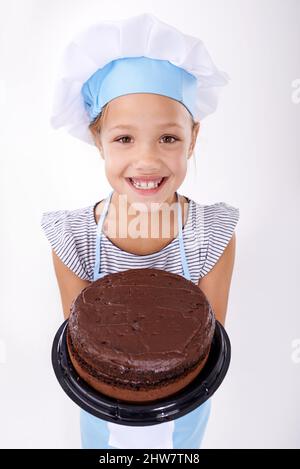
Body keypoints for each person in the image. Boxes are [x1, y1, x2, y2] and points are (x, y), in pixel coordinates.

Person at [41, 13, 240, 449]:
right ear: (98, 141)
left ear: (193, 138)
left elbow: (202, 343)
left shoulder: (213, 235)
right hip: (101, 417)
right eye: (124, 139)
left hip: (186, 413)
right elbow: (87, 346)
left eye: (168, 138)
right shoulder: (72, 238)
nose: (147, 160)